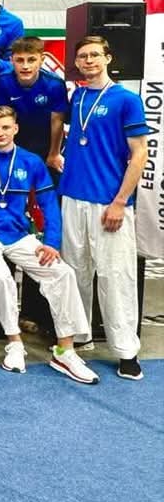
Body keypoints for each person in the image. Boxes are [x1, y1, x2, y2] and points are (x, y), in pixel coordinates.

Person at [0, 107, 98, 383]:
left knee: (62, 273)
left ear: (15, 129)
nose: (0, 133)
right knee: (1, 277)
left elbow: (49, 205)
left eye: (5, 127)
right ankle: (14, 342)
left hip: (18, 234)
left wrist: (52, 242)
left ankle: (65, 350)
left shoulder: (31, 162)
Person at [60, 36, 150, 380]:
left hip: (108, 202)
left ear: (108, 58)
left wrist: (120, 201)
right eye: (83, 56)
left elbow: (139, 154)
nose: (89, 61)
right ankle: (78, 337)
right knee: (75, 271)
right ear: (76, 63)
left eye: (95, 55)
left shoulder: (127, 99)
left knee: (115, 276)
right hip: (73, 195)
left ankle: (126, 351)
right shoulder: (78, 96)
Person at [0, 36, 67, 172]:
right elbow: (3, 120)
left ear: (42, 60)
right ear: (11, 60)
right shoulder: (3, 81)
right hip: (17, 144)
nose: (25, 66)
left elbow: (57, 121)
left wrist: (54, 154)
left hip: (48, 145)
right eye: (20, 60)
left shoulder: (55, 84)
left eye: (31, 60)